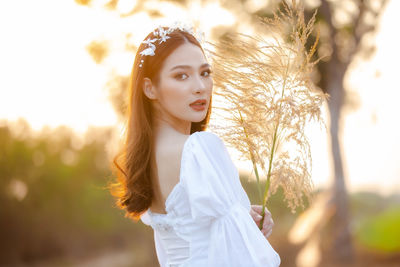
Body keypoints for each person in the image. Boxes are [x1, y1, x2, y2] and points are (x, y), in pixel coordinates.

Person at [111, 23, 281, 267]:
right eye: (181, 75)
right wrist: (246, 230)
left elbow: (192, 233)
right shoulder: (197, 149)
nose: (200, 87)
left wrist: (242, 217)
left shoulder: (145, 158)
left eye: (205, 73)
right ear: (150, 88)